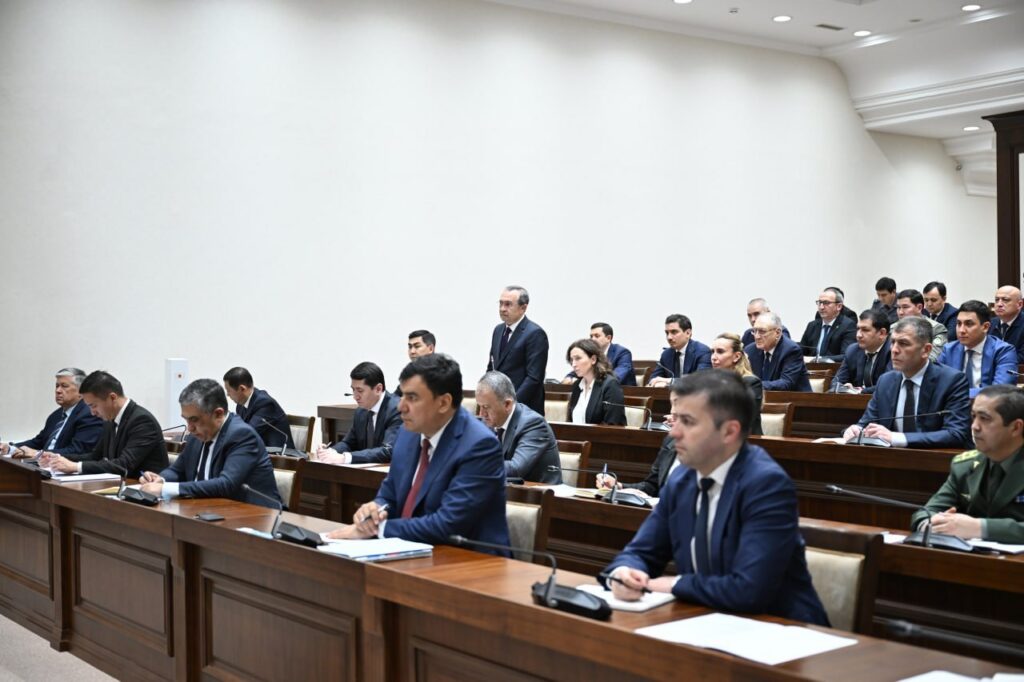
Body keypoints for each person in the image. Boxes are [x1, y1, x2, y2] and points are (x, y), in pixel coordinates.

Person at [601, 371, 829, 625]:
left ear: (729, 431)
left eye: (687, 422)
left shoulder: (766, 484)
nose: (673, 432)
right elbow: (641, 552)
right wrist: (624, 573)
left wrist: (672, 584)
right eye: (675, 420)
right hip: (708, 619)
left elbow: (749, 590)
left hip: (782, 629)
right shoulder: (681, 479)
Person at [327, 354, 510, 552]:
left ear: (443, 403)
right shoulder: (408, 433)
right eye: (403, 395)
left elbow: (448, 525)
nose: (400, 406)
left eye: (412, 398)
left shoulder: (479, 445)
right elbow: (389, 494)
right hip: (413, 551)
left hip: (470, 561)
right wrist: (376, 510)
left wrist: (379, 529)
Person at [139, 379, 281, 508]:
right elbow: (177, 470)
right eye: (186, 420)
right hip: (207, 510)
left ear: (218, 414)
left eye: (194, 419)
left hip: (254, 515)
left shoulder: (242, 435)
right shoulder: (197, 435)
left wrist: (165, 489)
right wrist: (160, 480)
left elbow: (226, 484)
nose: (190, 428)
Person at [910, 385, 1024, 543]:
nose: (974, 426)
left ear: (1016, 427)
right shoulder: (965, 466)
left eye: (984, 418)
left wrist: (979, 528)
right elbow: (926, 512)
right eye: (973, 416)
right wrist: (931, 525)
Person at [843, 317, 972, 449]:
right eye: (893, 342)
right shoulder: (885, 381)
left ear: (926, 350)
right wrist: (856, 430)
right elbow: (866, 423)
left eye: (903, 343)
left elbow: (956, 433)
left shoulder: (952, 381)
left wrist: (896, 438)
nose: (894, 350)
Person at [38, 371, 167, 477]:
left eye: (93, 405)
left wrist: (75, 467)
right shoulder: (109, 420)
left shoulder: (142, 421)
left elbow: (124, 465)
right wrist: (58, 457)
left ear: (112, 397)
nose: (92, 412)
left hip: (144, 489)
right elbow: (95, 456)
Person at [476, 371, 562, 484]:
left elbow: (516, 469)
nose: (482, 414)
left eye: (486, 407)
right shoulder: (489, 422)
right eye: (479, 406)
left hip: (539, 493)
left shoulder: (533, 424)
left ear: (507, 404)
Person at [2, 367, 102, 459]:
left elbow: (78, 451)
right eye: (57, 386)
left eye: (64, 386)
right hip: (42, 464)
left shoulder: (89, 414)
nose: (58, 390)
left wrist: (39, 454)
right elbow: (38, 442)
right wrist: (10, 448)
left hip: (64, 468)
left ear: (80, 391)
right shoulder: (56, 415)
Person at [314, 362, 401, 464]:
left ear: (378, 389)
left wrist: (345, 458)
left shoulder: (397, 409)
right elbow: (348, 443)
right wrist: (330, 452)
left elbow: (388, 451)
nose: (355, 397)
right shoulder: (361, 412)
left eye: (360, 391)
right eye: (353, 390)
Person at [487, 285, 549, 414]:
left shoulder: (535, 333)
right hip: (499, 407)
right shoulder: (498, 330)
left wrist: (511, 404)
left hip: (524, 410)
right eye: (501, 303)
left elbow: (534, 378)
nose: (502, 308)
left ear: (523, 308)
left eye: (508, 304)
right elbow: (492, 367)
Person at [938, 300, 1017, 398]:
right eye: (958, 323)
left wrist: (957, 395)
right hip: (953, 406)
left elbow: (1000, 390)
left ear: (985, 327)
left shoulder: (1003, 351)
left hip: (989, 406)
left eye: (969, 324)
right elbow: (936, 385)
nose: (961, 330)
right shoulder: (949, 350)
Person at [222, 367, 295, 450]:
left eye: (228, 390)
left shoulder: (265, 403)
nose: (227, 394)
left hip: (281, 455)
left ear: (242, 389)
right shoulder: (240, 405)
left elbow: (247, 433)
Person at [709, 333, 762, 435]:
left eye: (720, 352)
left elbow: (740, 418)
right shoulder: (711, 382)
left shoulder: (750, 383)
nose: (713, 357)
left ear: (736, 356)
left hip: (746, 440)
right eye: (712, 352)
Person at [745, 312, 812, 392]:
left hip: (795, 398)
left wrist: (753, 385)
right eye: (754, 331)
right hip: (762, 398)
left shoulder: (791, 350)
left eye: (762, 331)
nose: (757, 336)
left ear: (777, 333)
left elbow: (786, 383)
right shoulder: (750, 350)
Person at [565, 339, 627, 426]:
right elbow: (570, 422)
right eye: (571, 360)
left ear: (593, 359)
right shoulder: (577, 386)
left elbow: (613, 424)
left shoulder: (610, 385)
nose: (573, 364)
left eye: (578, 358)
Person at [830, 310, 892, 394]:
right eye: (858, 329)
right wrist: (843, 388)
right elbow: (837, 381)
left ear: (881, 333)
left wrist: (859, 391)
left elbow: (888, 385)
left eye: (865, 330)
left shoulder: (894, 352)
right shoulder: (853, 350)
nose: (858, 335)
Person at [563, 322, 635, 387]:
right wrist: (569, 377)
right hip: (599, 390)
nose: (593, 339)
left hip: (624, 392)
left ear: (608, 338)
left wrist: (590, 382)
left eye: (597, 336)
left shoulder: (622, 353)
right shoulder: (593, 353)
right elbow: (583, 368)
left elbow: (616, 377)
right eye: (591, 336)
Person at [648, 314, 712, 387]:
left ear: (688, 333)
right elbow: (653, 379)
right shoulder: (666, 354)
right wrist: (659, 383)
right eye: (667, 333)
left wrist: (670, 381)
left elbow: (701, 380)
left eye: (674, 332)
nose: (669, 337)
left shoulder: (702, 352)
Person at [799, 288, 857, 361]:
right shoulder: (812, 325)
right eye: (819, 303)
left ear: (839, 306)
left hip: (834, 367)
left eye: (826, 303)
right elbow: (801, 350)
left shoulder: (848, 325)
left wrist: (821, 360)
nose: (821, 307)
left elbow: (846, 356)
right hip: (810, 366)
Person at [895, 289, 947, 361]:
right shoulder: (892, 328)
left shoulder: (936, 329)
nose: (900, 312)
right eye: (898, 307)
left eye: (905, 307)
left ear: (919, 308)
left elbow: (932, 357)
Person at [990, 285, 1024, 364]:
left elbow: (1021, 357)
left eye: (1005, 300)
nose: (999, 304)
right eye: (997, 300)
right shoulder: (989, 324)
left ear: (1019, 304)